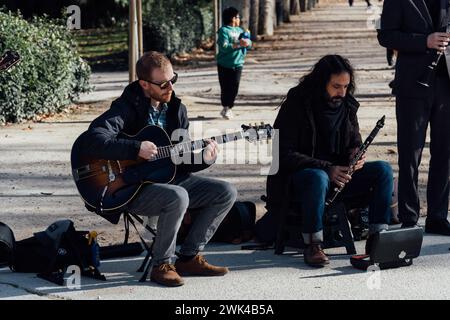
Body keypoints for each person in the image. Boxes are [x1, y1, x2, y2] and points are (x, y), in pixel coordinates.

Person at [81, 51, 237, 286]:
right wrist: (135, 148)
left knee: (225, 191)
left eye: (173, 80)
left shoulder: (177, 110)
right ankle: (161, 264)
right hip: (129, 186)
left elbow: (178, 159)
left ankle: (189, 257)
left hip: (167, 179)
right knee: (177, 196)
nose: (170, 88)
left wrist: (204, 159)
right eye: (163, 83)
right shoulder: (125, 107)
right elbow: (93, 139)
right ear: (144, 84)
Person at [266, 55, 393, 267]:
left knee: (383, 170)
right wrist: (327, 168)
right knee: (318, 177)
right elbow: (283, 153)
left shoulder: (347, 105)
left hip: (339, 178)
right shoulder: (297, 103)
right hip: (300, 181)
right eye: (336, 86)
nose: (341, 93)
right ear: (321, 81)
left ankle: (377, 238)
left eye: (345, 86)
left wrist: (356, 154)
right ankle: (314, 244)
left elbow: (355, 140)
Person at [378, 0, 450, 235]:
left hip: (446, 83)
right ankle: (409, 216)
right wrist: (424, 41)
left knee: (445, 152)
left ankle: (438, 216)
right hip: (413, 84)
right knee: (410, 153)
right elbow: (386, 36)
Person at [216, 6, 252, 120]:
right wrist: (238, 44)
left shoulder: (241, 31)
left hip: (238, 63)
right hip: (223, 64)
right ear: (232, 18)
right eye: (237, 17)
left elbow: (249, 43)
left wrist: (248, 43)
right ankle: (226, 107)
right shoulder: (223, 31)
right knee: (225, 87)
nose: (239, 19)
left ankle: (229, 107)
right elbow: (224, 47)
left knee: (235, 86)